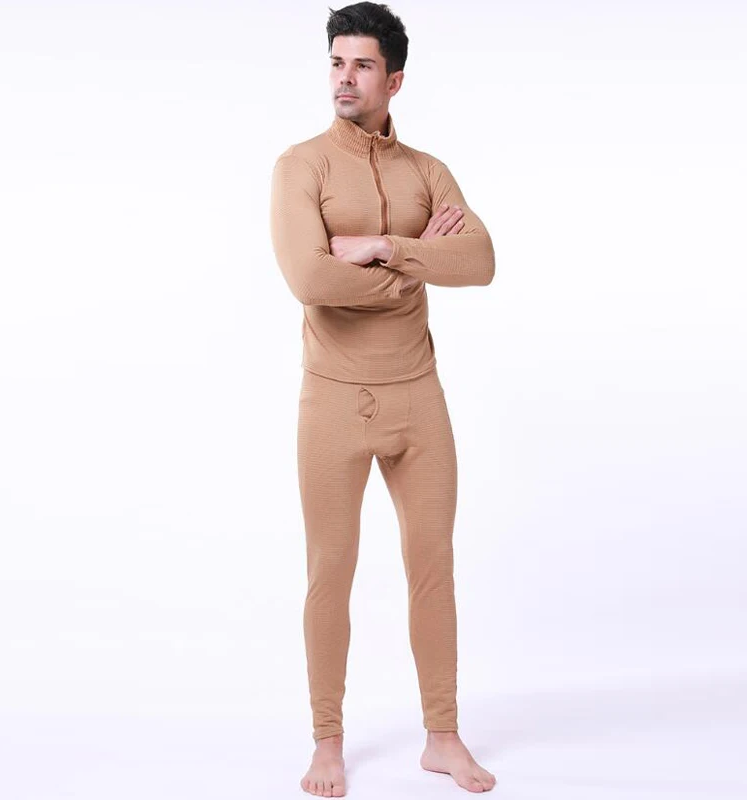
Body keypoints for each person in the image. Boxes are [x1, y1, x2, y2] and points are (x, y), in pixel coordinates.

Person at [269, 3, 497, 795]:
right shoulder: (300, 166)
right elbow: (310, 278)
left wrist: (380, 247)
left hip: (418, 398)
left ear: (393, 80)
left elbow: (481, 260)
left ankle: (443, 736)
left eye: (362, 65)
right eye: (336, 62)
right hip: (333, 401)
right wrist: (417, 264)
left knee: (434, 567)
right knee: (330, 572)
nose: (344, 78)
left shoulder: (427, 171)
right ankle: (327, 742)